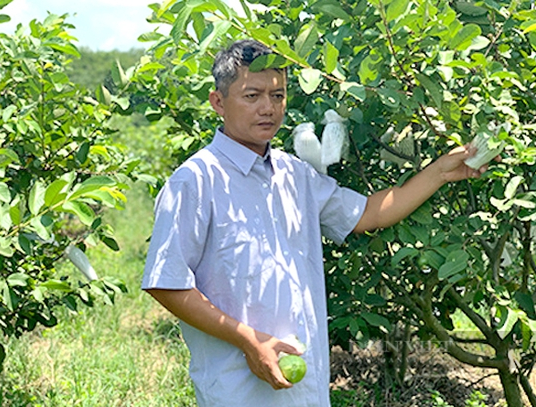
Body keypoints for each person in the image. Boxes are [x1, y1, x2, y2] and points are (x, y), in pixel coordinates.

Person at [142, 39, 491, 407]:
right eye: (252, 96)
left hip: (307, 390)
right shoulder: (195, 181)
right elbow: (167, 284)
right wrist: (249, 340)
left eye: (277, 96)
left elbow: (370, 213)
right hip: (238, 392)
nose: (268, 108)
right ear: (218, 101)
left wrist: (440, 172)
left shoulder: (294, 175)